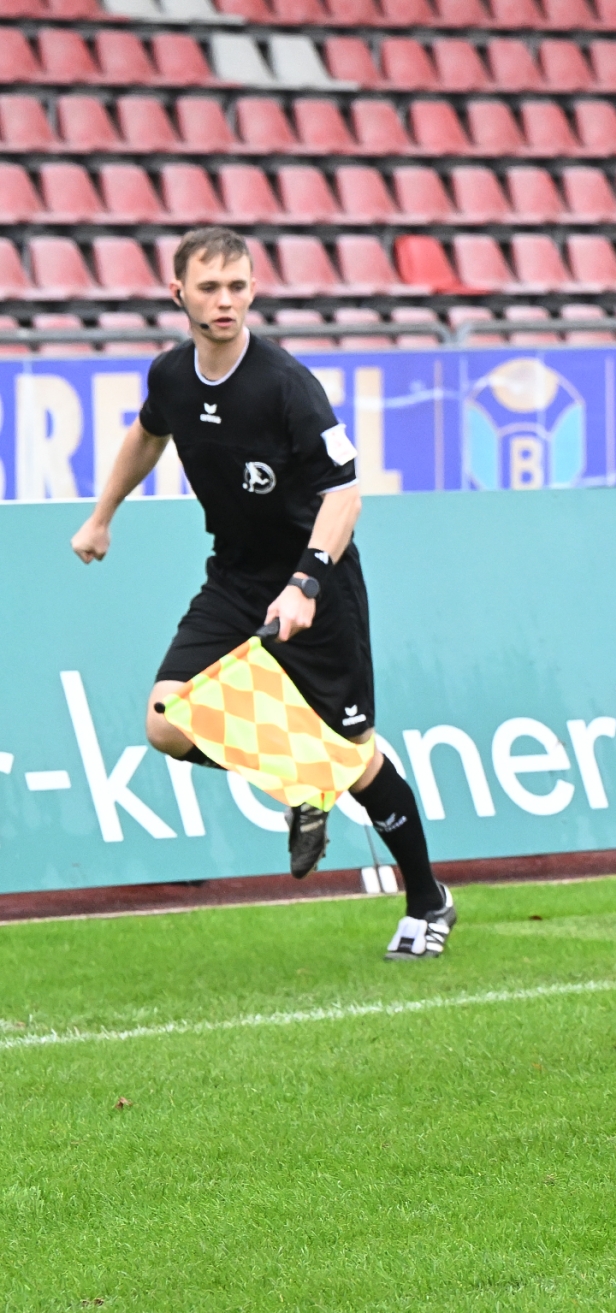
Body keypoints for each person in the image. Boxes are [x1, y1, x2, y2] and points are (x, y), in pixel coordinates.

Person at [69, 226, 458, 962]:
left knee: (355, 757)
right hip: (235, 578)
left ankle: (428, 899)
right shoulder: (172, 375)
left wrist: (306, 582)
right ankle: (302, 780)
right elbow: (148, 433)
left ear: (253, 290)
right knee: (167, 723)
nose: (225, 301)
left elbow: (345, 495)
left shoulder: (285, 384)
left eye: (238, 286)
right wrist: (101, 516)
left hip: (318, 584)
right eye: (209, 287)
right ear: (177, 292)